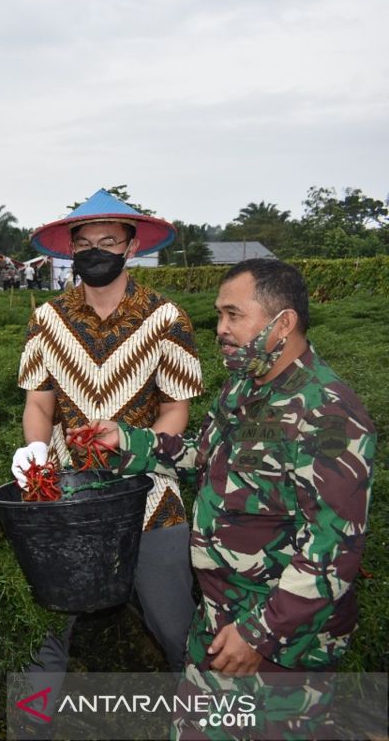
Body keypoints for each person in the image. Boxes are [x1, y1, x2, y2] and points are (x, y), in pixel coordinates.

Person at [90, 259, 376, 736]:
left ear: (282, 322)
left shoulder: (329, 412)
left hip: (281, 643)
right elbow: (203, 458)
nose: (220, 329)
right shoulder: (242, 388)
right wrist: (126, 442)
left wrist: (259, 636)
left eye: (233, 315)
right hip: (221, 619)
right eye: (219, 316)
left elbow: (332, 552)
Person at [13, 189, 203, 684]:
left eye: (107, 241)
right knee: (44, 634)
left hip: (149, 494)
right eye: (85, 244)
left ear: (131, 247)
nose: (94, 252)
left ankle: (206, 723)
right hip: (64, 495)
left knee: (176, 628)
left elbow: (176, 406)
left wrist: (138, 450)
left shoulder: (166, 318)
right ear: (70, 250)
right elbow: (38, 401)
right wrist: (35, 452)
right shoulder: (47, 319)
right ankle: (34, 724)